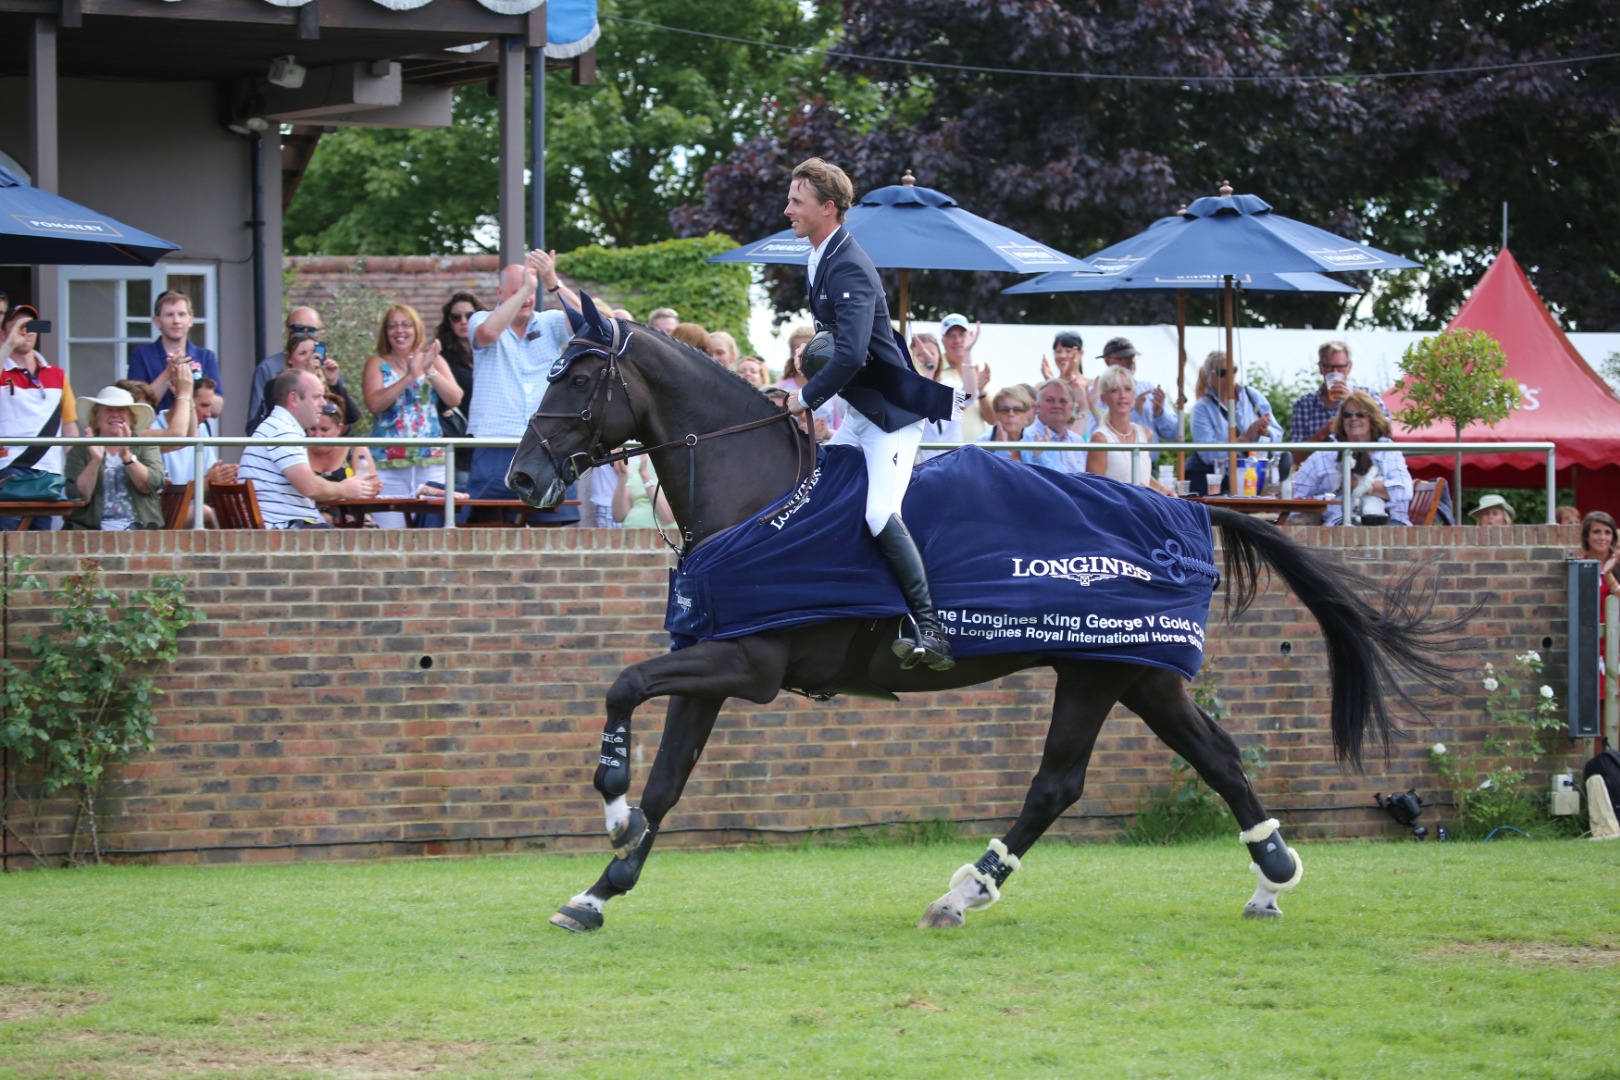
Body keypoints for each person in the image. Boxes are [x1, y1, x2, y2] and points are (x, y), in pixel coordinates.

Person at [783, 156, 958, 671]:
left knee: (880, 513)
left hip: (894, 416)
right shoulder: (819, 255)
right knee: (820, 495)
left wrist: (805, 395)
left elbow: (852, 354)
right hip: (860, 411)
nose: (787, 208)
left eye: (797, 200)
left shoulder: (847, 263)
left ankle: (931, 629)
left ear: (828, 207)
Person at [466, 250, 581, 519]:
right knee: (486, 524)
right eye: (518, 290)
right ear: (500, 292)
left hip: (545, 443)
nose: (528, 297)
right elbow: (489, 334)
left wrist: (552, 281)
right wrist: (526, 288)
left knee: (553, 523)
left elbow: (590, 322)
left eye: (531, 291)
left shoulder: (549, 321)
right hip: (496, 441)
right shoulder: (480, 319)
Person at [362, 304, 462, 528]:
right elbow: (375, 404)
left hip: (431, 461)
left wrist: (429, 371)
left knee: (434, 530)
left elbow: (455, 398)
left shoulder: (433, 359)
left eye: (406, 325)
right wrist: (410, 376)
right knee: (391, 534)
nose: (400, 331)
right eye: (393, 326)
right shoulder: (377, 363)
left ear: (416, 329)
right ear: (385, 332)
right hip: (389, 466)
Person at [239, 369, 380, 528]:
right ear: (294, 399)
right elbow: (310, 487)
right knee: (359, 541)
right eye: (316, 397)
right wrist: (345, 489)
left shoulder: (278, 427)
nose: (323, 403)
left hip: (284, 529)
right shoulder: (282, 431)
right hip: (283, 532)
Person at [0, 305, 80, 531]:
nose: (26, 331)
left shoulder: (57, 374)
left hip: (49, 473)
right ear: (4, 332)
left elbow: (70, 428)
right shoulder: (2, 369)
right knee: (8, 547)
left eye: (31, 325)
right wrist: (9, 345)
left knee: (42, 545)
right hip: (9, 469)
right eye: (18, 325)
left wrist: (74, 475)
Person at [1286, 390, 1413, 525]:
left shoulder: (1388, 451)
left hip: (1390, 523)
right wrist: (1326, 498)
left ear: (1372, 419)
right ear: (1341, 420)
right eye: (1347, 415)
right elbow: (1296, 495)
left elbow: (1403, 492)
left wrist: (1356, 484)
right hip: (1340, 524)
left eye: (1361, 414)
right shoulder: (1323, 455)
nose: (1354, 418)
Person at [62, 386, 166, 530]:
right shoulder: (80, 449)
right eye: (108, 409)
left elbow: (150, 484)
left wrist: (127, 457)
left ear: (131, 419)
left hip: (140, 532)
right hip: (89, 533)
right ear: (96, 418)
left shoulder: (145, 445)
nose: (115, 414)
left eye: (121, 410)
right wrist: (95, 461)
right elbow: (79, 496)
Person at [1188, 350, 1281, 493]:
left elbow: (1278, 433)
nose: (1230, 376)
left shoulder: (1252, 396)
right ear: (1210, 377)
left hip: (1253, 475)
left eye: (1234, 370)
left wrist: (1266, 432)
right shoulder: (1202, 408)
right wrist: (1244, 440)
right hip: (1218, 482)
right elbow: (1207, 453)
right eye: (1223, 372)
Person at [1288, 341, 1388, 467]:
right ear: (1321, 368)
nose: (1335, 372)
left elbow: (1386, 434)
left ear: (1349, 368)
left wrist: (1352, 401)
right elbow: (1295, 457)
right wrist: (1322, 434)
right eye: (1329, 367)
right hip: (1320, 475)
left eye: (1340, 367)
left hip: (1364, 471)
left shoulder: (1369, 395)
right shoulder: (1304, 404)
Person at [126, 290, 221, 414]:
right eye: (169, 315)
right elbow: (137, 408)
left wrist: (192, 385)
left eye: (181, 314)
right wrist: (168, 373)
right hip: (154, 431)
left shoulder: (207, 356)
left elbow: (216, 410)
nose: (176, 320)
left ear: (190, 320)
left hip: (195, 431)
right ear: (157, 321)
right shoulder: (141, 355)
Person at [1087, 365, 1175, 494]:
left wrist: (1165, 491)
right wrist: (1130, 491)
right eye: (1115, 390)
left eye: (1127, 389)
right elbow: (1093, 490)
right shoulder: (1100, 439)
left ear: (1134, 395)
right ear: (1104, 399)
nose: (1122, 395)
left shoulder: (1146, 434)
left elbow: (1143, 475)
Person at [246, 306, 331, 427]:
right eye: (298, 329)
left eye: (311, 331)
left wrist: (334, 384)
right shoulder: (268, 368)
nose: (305, 335)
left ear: (320, 335)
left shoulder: (327, 367)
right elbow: (255, 423)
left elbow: (347, 422)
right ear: (287, 332)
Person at [1097, 337, 1179, 442]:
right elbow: (1096, 434)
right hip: (1115, 456)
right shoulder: (1098, 392)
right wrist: (1135, 412)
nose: (1130, 362)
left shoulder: (1148, 388)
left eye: (1132, 357)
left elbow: (1175, 434)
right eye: (1124, 358)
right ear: (1108, 360)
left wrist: (1160, 413)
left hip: (1147, 457)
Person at [433, 291, 482, 435]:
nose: (463, 321)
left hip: (487, 428)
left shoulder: (491, 352)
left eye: (469, 315)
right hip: (457, 431)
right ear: (449, 322)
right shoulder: (442, 357)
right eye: (456, 317)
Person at [910, 331, 962, 463]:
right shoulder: (907, 389)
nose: (926, 358)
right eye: (919, 355)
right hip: (920, 463)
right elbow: (924, 398)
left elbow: (969, 399)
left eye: (932, 353)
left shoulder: (951, 385)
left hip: (952, 462)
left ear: (939, 357)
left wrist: (967, 353)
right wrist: (926, 373)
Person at [938, 313, 990, 442]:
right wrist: (973, 391)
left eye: (961, 335)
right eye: (951, 336)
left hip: (978, 450)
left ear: (968, 337)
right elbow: (962, 402)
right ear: (943, 341)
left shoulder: (980, 368)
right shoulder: (935, 372)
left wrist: (981, 392)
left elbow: (993, 419)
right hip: (947, 453)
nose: (957, 341)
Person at [1024, 378, 1088, 475]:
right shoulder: (1025, 439)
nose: (1057, 405)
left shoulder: (1078, 442)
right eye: (1050, 400)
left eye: (1063, 401)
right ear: (1038, 405)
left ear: (1072, 407)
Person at [1038, 331, 1091, 425]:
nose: (1063, 356)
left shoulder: (1091, 386)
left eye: (1068, 351)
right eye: (1058, 351)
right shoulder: (1042, 386)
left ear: (1081, 353)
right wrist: (1050, 382)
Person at [976, 385, 1036, 462]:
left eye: (1017, 410)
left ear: (1026, 414)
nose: (1011, 414)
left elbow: (1054, 472)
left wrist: (1040, 457)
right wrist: (1001, 451)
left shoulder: (1038, 442)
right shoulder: (981, 445)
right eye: (1004, 410)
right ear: (996, 414)